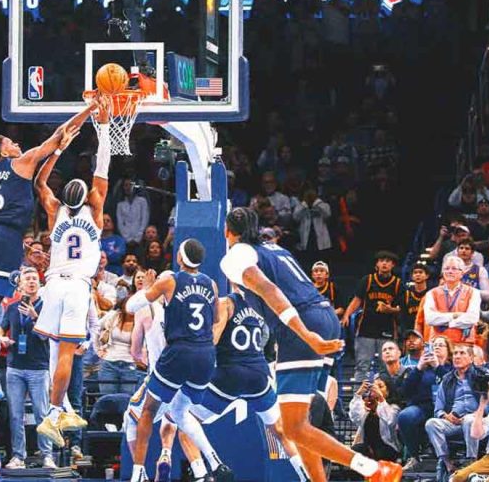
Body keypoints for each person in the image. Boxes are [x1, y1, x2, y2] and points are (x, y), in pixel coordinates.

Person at [220, 207, 402, 482]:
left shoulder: (235, 255)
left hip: (302, 325)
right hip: (324, 314)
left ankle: (374, 469)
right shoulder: (273, 249)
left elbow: (270, 291)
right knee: (300, 424)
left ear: (227, 232)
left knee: (292, 427)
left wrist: (305, 334)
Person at [0, 101, 95, 400]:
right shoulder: (17, 163)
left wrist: (59, 150)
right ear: (3, 152)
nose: (17, 143)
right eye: (11, 142)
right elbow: (59, 133)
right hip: (2, 238)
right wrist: (89, 109)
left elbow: (33, 182)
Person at [126, 239, 230, 482]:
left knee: (148, 411)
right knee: (180, 412)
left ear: (181, 258)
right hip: (205, 356)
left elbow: (131, 306)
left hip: (178, 353)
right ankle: (213, 461)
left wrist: (148, 289)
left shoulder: (169, 281)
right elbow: (215, 318)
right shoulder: (212, 284)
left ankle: (138, 473)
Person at [33, 113, 107, 445]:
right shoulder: (95, 212)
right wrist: (104, 130)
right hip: (77, 287)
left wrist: (59, 150)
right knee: (66, 353)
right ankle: (53, 413)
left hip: (52, 285)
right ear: (87, 199)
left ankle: (60, 408)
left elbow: (39, 183)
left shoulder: (54, 211)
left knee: (54, 351)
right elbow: (101, 173)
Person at [193, 277, 309, 481]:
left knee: (186, 420)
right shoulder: (261, 307)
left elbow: (212, 341)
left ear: (231, 280)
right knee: (281, 431)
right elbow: (267, 342)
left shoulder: (225, 303)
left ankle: (214, 466)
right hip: (258, 374)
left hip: (230, 374)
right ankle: (305, 475)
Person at [0, 268, 57, 468]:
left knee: (42, 413)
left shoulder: (46, 307)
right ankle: (18, 456)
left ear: (39, 284)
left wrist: (34, 317)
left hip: (38, 367)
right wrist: (2, 338)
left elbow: (45, 336)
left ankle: (47, 455)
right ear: (20, 284)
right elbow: (1, 328)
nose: (31, 282)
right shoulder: (12, 307)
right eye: (27, 279)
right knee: (16, 414)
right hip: (14, 367)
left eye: (34, 279)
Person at [341, 251, 402, 381]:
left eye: (388, 261)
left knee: (385, 366)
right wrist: (347, 315)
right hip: (365, 329)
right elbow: (357, 300)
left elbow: (401, 309)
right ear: (377, 264)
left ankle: (386, 397)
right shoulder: (367, 280)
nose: (384, 263)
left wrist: (389, 309)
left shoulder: (397, 284)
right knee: (362, 365)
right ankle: (358, 397)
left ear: (393, 265)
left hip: (388, 330)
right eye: (381, 260)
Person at [424, 343, 481, 482]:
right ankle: (447, 463)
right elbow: (438, 409)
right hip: (454, 422)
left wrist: (476, 414)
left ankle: (471, 461)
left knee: (469, 421)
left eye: (462, 353)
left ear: (471, 358)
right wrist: (445, 416)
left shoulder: (481, 375)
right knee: (431, 423)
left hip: (478, 420)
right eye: (455, 353)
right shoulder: (447, 379)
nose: (457, 356)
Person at [399, 335, 452, 472]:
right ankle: (414, 457)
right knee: (405, 416)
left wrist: (438, 367)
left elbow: (453, 386)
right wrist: (418, 369)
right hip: (424, 407)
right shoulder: (421, 369)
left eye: (441, 345)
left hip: (448, 409)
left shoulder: (452, 368)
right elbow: (405, 391)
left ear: (448, 351)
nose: (437, 347)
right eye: (434, 346)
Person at [423, 256, 481, 346]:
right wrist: (455, 315)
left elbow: (472, 319)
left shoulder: (473, 292)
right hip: (438, 344)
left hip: (464, 344)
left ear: (462, 273)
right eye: (446, 268)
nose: (450, 271)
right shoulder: (431, 293)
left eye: (454, 269)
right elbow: (430, 319)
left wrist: (447, 323)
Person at [349, 379, 400, 462]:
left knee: (382, 453)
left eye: (380, 386)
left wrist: (381, 398)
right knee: (356, 451)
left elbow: (390, 421)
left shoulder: (394, 408)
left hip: (388, 448)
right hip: (368, 448)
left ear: (388, 392)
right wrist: (358, 394)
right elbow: (355, 417)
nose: (376, 389)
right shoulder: (367, 408)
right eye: (374, 387)